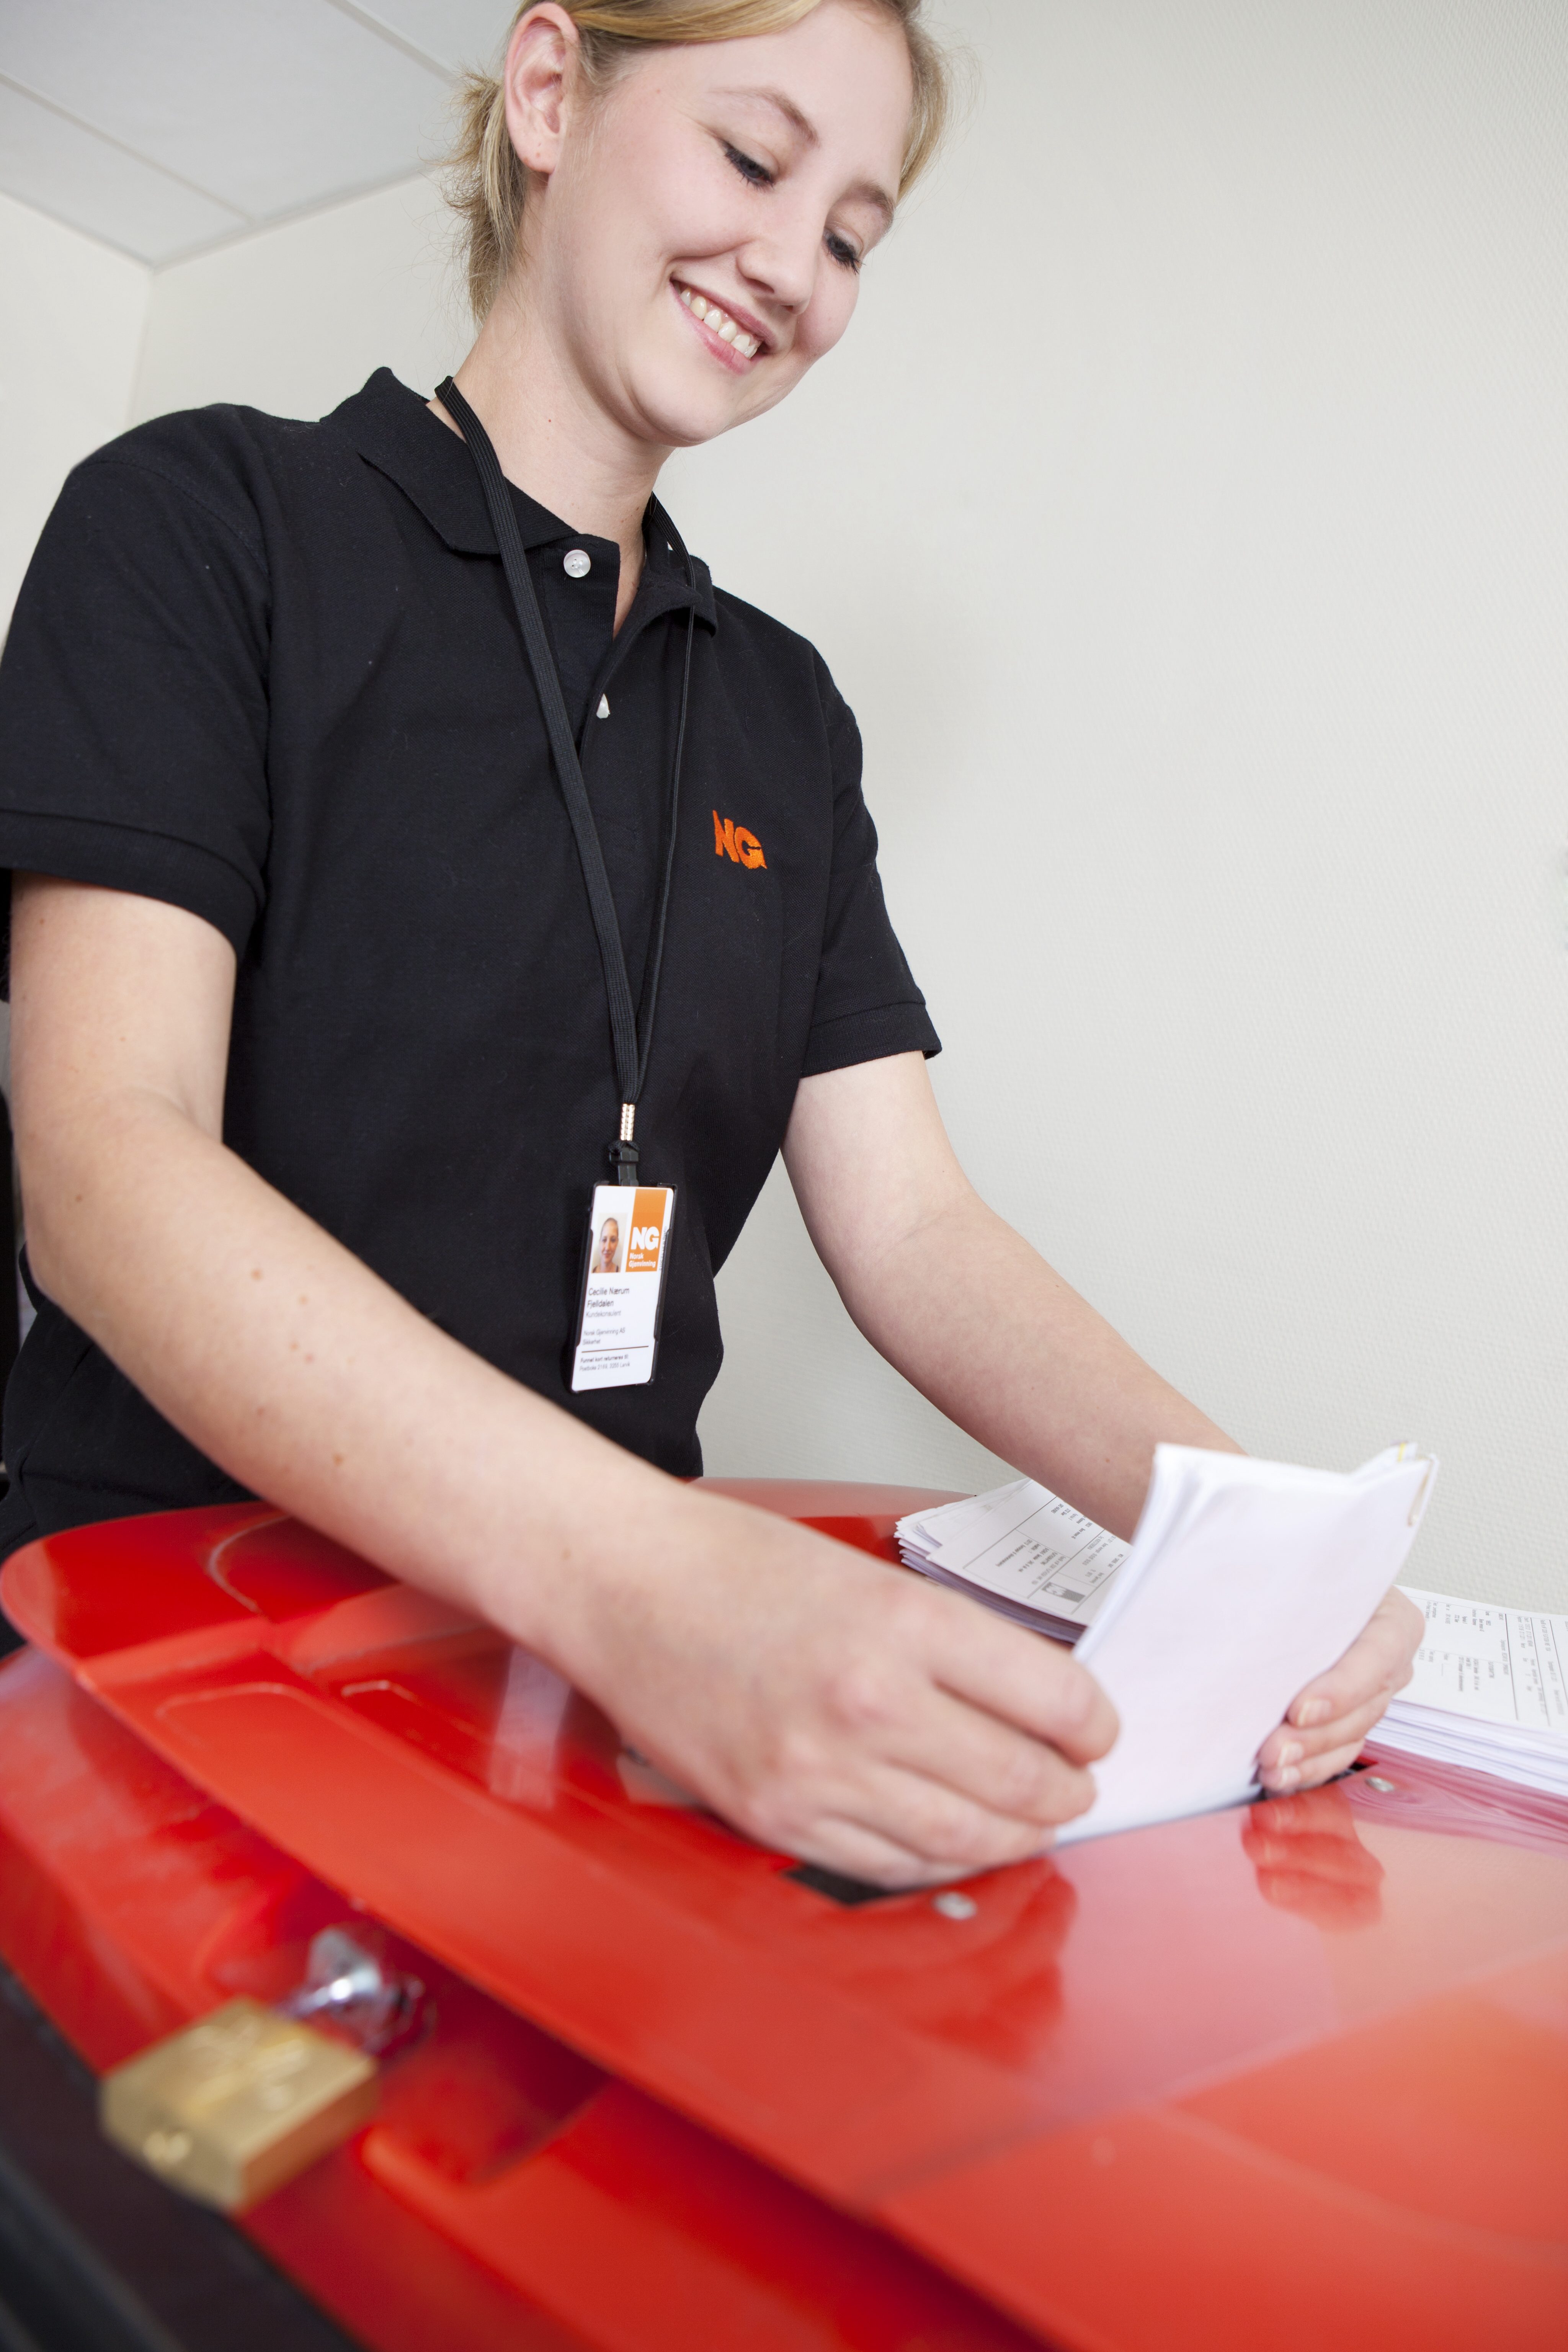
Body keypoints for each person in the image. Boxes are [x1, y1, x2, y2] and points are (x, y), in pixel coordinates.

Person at [0, 0, 1419, 1887]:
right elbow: (105, 1161)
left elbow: (915, 1233)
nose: (792, 268)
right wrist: (650, 1573)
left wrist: (1271, 1546)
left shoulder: (784, 715)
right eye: (753, 159)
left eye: (850, 236)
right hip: (175, 1640)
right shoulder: (204, 523)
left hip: (586, 1706)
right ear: (549, 92)